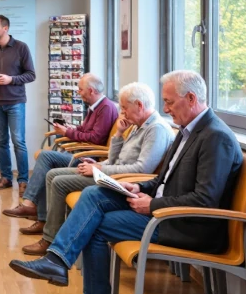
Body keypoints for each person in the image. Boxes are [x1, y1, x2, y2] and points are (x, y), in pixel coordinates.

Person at [10, 71, 243, 294]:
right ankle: (58, 262)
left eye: (169, 102)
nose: (165, 109)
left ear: (190, 98)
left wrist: (151, 204)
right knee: (94, 194)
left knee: (94, 224)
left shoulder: (215, 137)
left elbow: (204, 201)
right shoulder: (189, 130)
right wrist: (139, 185)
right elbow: (163, 180)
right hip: (165, 211)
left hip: (187, 225)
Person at [19, 82, 173, 255]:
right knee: (53, 175)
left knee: (59, 182)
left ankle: (49, 238)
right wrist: (114, 142)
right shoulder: (138, 126)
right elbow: (116, 159)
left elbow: (142, 169)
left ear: (139, 105)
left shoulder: (156, 129)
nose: (122, 113)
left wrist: (99, 171)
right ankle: (46, 225)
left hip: (125, 182)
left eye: (124, 108)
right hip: (111, 173)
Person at [2, 73, 117, 220]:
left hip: (87, 157)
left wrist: (68, 132)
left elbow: (95, 139)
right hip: (82, 151)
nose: (78, 92)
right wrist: (70, 129)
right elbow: (85, 130)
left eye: (81, 89)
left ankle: (31, 206)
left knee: (45, 157)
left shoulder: (106, 108)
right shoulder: (95, 107)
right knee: (46, 161)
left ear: (91, 91)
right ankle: (35, 210)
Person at [0, 14, 36, 196]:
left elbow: (31, 75)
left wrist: (11, 79)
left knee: (19, 142)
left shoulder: (21, 48)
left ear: (6, 28)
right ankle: (5, 177)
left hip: (15, 102)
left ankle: (23, 181)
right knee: (1, 142)